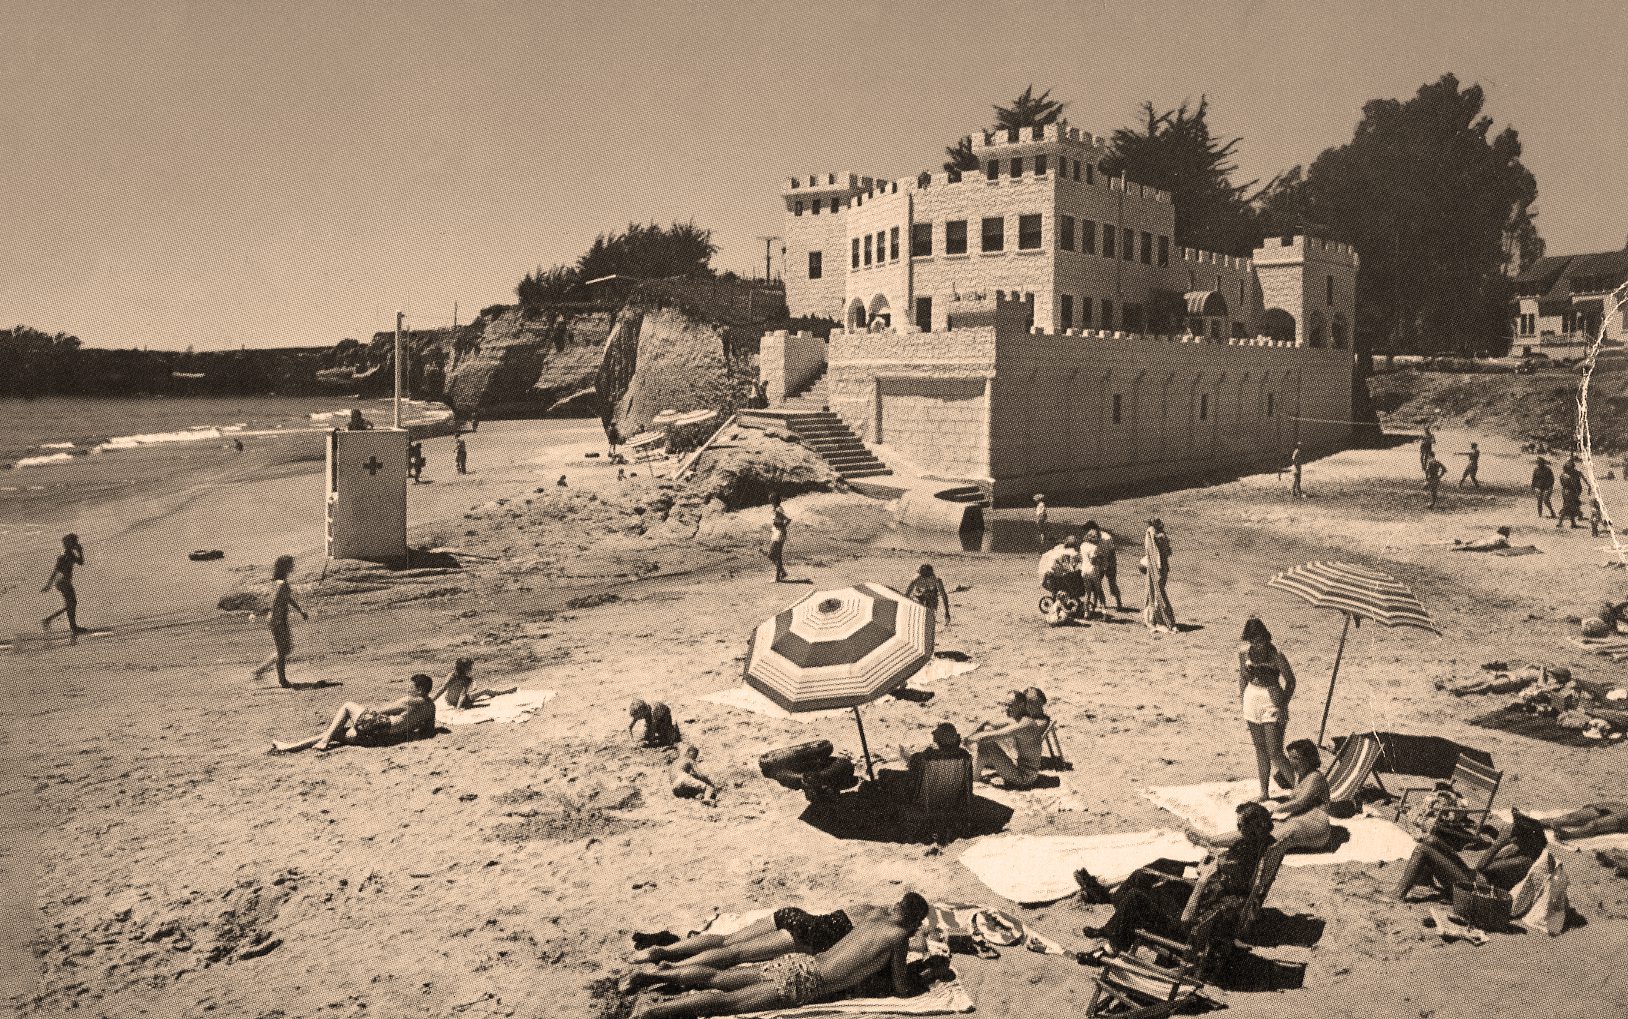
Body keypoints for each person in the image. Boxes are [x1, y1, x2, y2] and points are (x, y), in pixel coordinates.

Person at [623, 894, 930, 1019]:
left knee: (722, 976)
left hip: (800, 961)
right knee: (728, 1003)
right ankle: (652, 1014)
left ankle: (655, 975)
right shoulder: (899, 936)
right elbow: (901, 987)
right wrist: (926, 978)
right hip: (810, 980)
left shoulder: (873, 915)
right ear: (914, 922)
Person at [1085, 803, 1274, 957]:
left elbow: (1187, 918)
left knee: (1140, 893)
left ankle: (1112, 935)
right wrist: (1210, 861)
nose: (1237, 829)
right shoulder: (1255, 850)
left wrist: (1203, 877)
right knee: (1158, 870)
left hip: (1186, 926)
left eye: (1240, 826)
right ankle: (1112, 914)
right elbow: (1223, 860)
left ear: (1248, 830)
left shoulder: (1236, 869)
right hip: (1201, 905)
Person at [1193, 740, 1329, 858]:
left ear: (1308, 759)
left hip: (1315, 825)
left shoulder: (1315, 777)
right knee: (1259, 828)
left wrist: (1274, 809)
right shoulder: (1301, 775)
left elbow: (1299, 803)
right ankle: (1211, 840)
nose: (1291, 762)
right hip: (1299, 820)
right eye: (1290, 757)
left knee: (1267, 836)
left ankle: (1211, 842)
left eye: (1295, 758)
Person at [1395, 810, 1547, 901]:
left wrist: (1498, 843)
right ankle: (1423, 882)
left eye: (1515, 833)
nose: (1513, 836)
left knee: (1422, 849)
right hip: (1472, 877)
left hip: (1474, 889)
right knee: (1431, 840)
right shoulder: (1518, 852)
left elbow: (1482, 867)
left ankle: (1398, 894)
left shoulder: (1523, 860)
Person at [269, 673, 437, 753]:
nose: (408, 688)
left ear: (420, 689)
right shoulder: (431, 707)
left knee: (348, 706)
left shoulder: (410, 700)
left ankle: (323, 741)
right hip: (383, 738)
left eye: (411, 686)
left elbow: (380, 711)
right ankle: (290, 746)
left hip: (379, 726)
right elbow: (428, 730)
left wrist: (366, 709)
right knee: (336, 732)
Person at [1237, 620, 1295, 799]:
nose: (1258, 644)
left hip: (1272, 699)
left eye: (1261, 640)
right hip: (1251, 698)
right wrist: (1242, 699)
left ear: (1266, 638)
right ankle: (1264, 792)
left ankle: (1300, 790)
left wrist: (1283, 704)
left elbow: (1291, 681)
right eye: (1253, 641)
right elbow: (1243, 677)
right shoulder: (1244, 653)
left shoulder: (1276, 654)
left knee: (1275, 752)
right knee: (1260, 748)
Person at [966, 691, 1046, 789]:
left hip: (1024, 777)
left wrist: (967, 740)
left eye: (1010, 706)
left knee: (986, 743)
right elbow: (989, 723)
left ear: (1021, 705)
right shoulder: (1022, 719)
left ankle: (973, 777)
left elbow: (992, 736)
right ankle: (974, 775)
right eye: (1006, 705)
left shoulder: (1024, 725)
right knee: (987, 730)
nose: (1006, 709)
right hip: (1019, 765)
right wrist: (975, 732)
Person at [252, 555, 307, 687]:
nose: (293, 566)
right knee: (283, 651)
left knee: (285, 649)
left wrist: (300, 610)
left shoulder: (282, 583)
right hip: (278, 621)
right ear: (286, 567)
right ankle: (282, 681)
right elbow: (275, 602)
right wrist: (274, 619)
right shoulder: (281, 584)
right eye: (291, 564)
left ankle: (259, 670)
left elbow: (287, 598)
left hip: (280, 620)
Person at [40, 533, 86, 636]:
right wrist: (48, 585)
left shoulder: (70, 555)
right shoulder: (64, 557)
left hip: (64, 583)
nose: (76, 544)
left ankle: (49, 620)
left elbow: (81, 562)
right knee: (71, 604)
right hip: (63, 583)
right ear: (69, 544)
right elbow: (55, 572)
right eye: (74, 542)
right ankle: (72, 627)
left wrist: (80, 551)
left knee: (71, 604)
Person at [430, 657, 516, 710]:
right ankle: (502, 692)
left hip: (450, 701)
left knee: (480, 691)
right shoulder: (463, 678)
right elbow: (462, 695)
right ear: (464, 669)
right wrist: (458, 708)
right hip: (462, 702)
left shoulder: (453, 676)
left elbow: (442, 689)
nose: (471, 669)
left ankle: (501, 693)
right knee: (485, 690)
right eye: (469, 668)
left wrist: (431, 701)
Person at [1142, 518, 1176, 633]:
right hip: (1163, 569)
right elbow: (1168, 552)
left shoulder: (1152, 534)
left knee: (1156, 594)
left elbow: (1153, 553)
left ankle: (1161, 622)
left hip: (1156, 569)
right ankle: (1159, 620)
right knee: (1156, 593)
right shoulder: (1163, 536)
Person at [898, 721, 968, 770]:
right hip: (955, 791)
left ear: (936, 740)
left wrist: (904, 754)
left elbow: (912, 762)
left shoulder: (930, 755)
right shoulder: (964, 755)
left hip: (931, 790)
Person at [1546, 802, 1628, 841]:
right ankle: (1541, 823)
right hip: (1620, 807)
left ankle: (1569, 835)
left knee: (1595, 825)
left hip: (1624, 817)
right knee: (1571, 817)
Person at [1094, 525, 1124, 610]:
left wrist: (1108, 564)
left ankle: (1119, 603)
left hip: (1110, 563)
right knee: (1096, 582)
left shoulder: (1107, 537)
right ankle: (1096, 603)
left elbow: (1112, 552)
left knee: (1112, 583)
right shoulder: (1091, 536)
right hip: (1099, 563)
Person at [765, 496, 790, 582]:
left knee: (771, 555)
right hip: (777, 533)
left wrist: (780, 526)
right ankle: (780, 575)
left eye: (771, 499)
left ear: (774, 500)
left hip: (779, 535)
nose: (769, 501)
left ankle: (779, 575)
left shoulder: (778, 510)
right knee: (776, 556)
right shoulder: (777, 509)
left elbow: (787, 519)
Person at [1558, 458, 1584, 529]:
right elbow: (1573, 485)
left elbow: (1561, 484)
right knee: (1568, 507)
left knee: (1568, 506)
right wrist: (1576, 492)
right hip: (1570, 492)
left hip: (1564, 491)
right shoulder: (1569, 477)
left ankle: (1572, 523)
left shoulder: (1562, 475)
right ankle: (1560, 522)